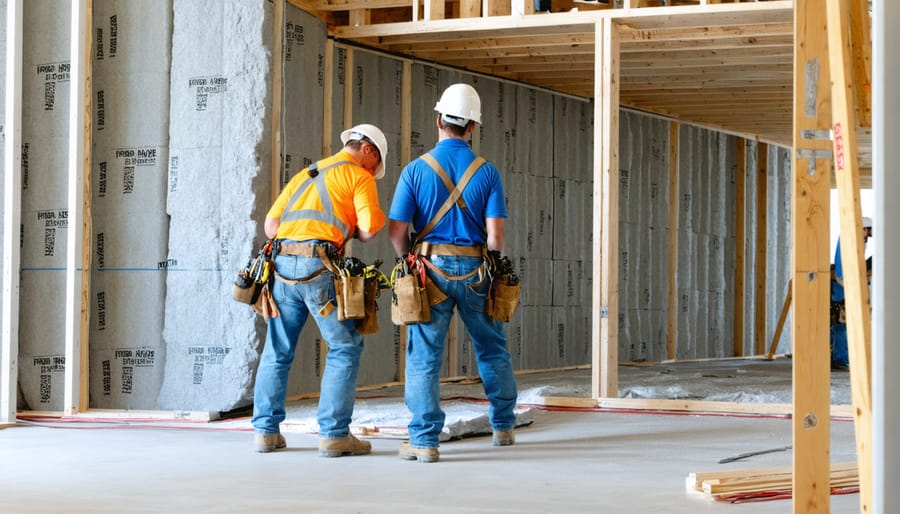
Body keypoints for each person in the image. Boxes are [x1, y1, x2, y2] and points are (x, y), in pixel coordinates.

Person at [388, 83, 518, 463]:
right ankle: (504, 427)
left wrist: (407, 259)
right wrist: (491, 266)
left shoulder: (415, 170)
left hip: (429, 271)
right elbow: (496, 236)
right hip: (477, 269)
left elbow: (397, 232)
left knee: (425, 356)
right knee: (492, 348)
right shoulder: (488, 173)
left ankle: (426, 441)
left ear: (439, 119)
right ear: (472, 127)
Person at [252, 123, 388, 455]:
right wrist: (354, 224)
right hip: (319, 269)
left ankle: (266, 433)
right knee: (344, 347)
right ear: (368, 150)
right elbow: (369, 229)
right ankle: (334, 434)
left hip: (282, 269)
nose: (373, 171)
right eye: (375, 164)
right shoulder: (359, 176)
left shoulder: (306, 173)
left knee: (278, 349)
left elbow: (271, 226)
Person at [830, 216, 873, 371]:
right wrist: (848, 284)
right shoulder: (848, 239)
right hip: (842, 287)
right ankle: (840, 358)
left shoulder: (854, 240)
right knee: (841, 322)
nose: (868, 236)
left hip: (845, 286)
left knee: (841, 324)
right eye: (867, 231)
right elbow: (841, 269)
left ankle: (840, 357)